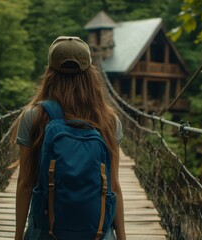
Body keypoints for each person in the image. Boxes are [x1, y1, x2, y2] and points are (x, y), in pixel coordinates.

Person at [14, 36, 126, 240]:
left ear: (50, 73)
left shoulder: (34, 116)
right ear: (90, 74)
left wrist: (18, 236)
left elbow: (25, 183)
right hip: (97, 231)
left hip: (47, 230)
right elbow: (114, 185)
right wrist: (123, 237)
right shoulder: (109, 120)